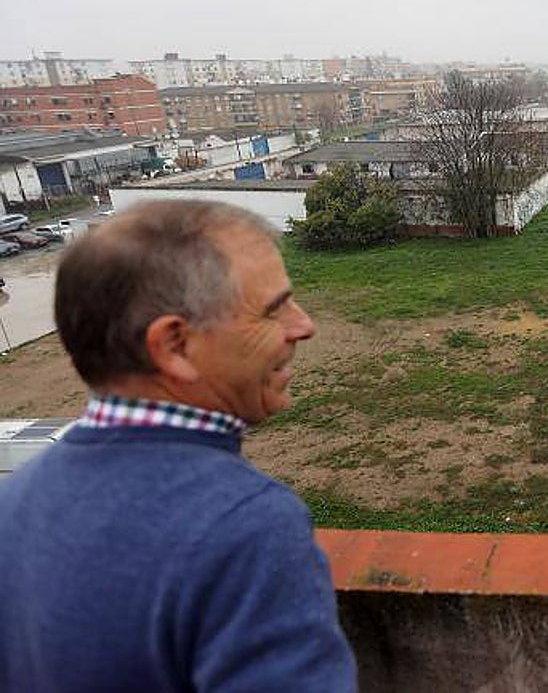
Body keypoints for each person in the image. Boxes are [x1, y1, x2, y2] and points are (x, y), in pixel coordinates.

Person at [0, 200, 357, 692]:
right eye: (274, 310)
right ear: (175, 346)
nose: (304, 325)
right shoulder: (245, 528)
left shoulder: (13, 505)